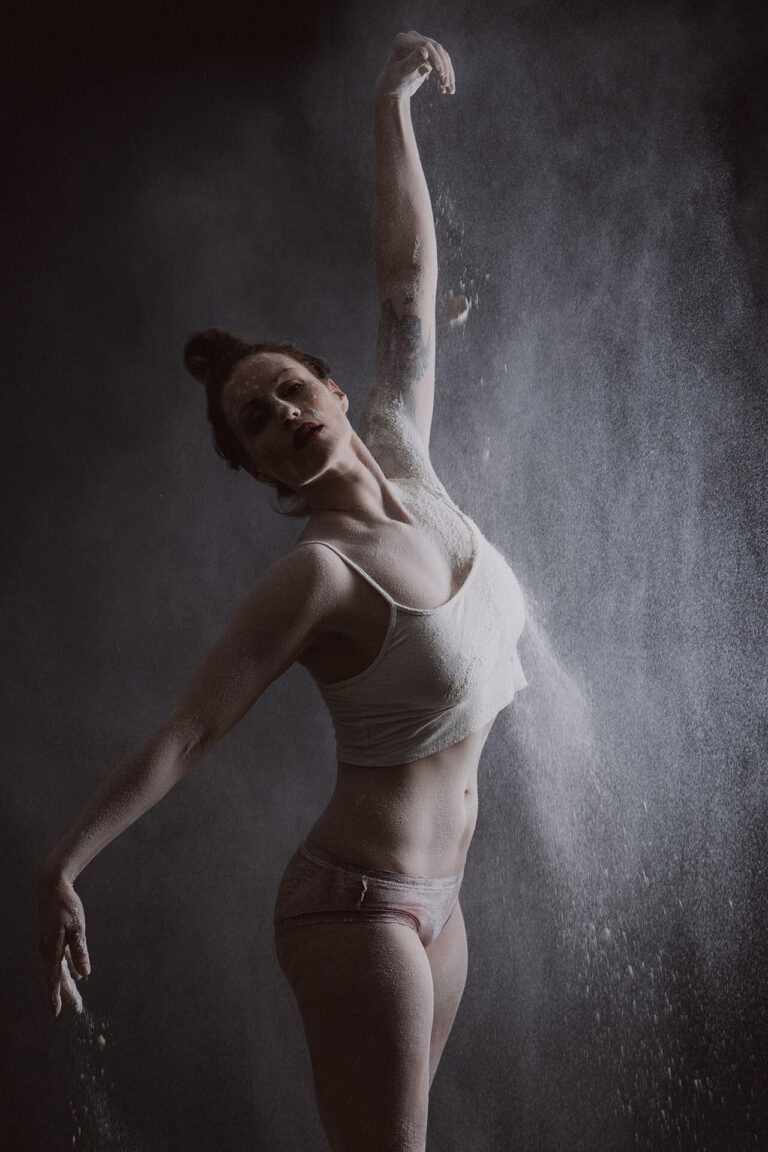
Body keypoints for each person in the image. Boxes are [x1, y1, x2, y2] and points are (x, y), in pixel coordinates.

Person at [37, 29, 527, 1152]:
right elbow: (190, 731)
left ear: (336, 392)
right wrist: (64, 864)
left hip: (443, 908)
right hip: (357, 908)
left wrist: (390, 104)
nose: (284, 416)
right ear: (260, 469)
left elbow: (407, 281)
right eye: (257, 423)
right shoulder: (320, 574)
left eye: (292, 390)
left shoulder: (409, 454)